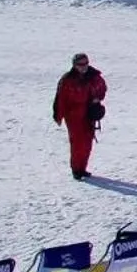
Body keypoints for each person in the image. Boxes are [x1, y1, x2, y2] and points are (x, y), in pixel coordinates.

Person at [52, 53, 106, 181]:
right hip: (73, 115)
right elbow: (61, 99)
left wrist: (97, 98)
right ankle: (76, 169)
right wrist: (58, 115)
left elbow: (102, 88)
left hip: (89, 113)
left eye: (86, 63)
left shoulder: (94, 76)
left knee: (87, 142)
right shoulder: (67, 79)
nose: (83, 66)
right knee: (77, 143)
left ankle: (82, 168)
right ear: (74, 65)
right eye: (80, 64)